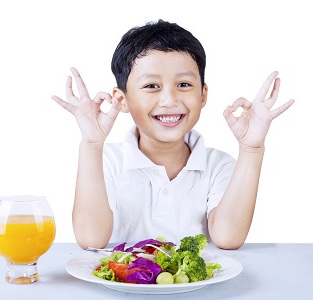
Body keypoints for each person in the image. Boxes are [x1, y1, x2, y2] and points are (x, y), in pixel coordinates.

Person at [51, 20, 294, 250]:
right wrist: (92, 144)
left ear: (203, 95)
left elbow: (228, 238)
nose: (169, 100)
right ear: (121, 100)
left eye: (184, 85)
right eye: (151, 86)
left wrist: (251, 149)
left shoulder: (218, 165)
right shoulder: (108, 161)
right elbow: (90, 239)